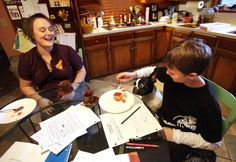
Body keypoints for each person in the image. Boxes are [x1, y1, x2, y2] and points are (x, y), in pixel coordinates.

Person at [116, 38, 222, 162]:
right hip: (162, 127)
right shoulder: (173, 75)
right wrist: (134, 74)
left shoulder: (207, 104)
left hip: (183, 143)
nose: (166, 73)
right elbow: (154, 70)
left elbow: (215, 144)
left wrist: (173, 135)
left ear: (191, 76)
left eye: (171, 72)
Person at [18, 13, 86, 119]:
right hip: (47, 100)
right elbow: (25, 85)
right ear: (32, 34)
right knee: (55, 130)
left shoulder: (66, 50)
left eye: (51, 29)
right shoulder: (27, 59)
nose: (49, 33)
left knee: (83, 122)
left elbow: (81, 71)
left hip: (72, 92)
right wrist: (39, 99)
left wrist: (73, 88)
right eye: (42, 30)